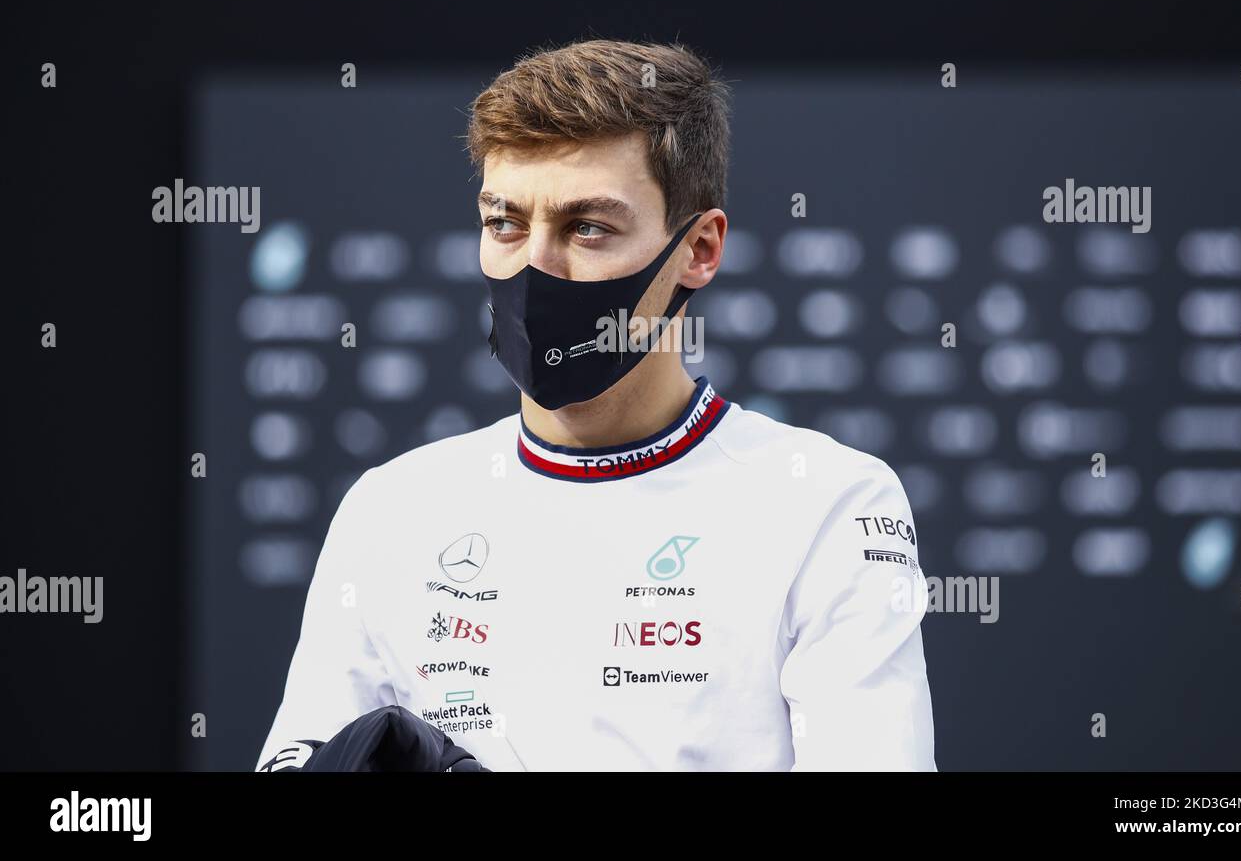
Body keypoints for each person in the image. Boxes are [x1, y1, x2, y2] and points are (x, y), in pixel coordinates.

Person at [256, 38, 935, 771]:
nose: (534, 266)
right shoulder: (389, 509)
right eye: (505, 224)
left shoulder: (829, 504)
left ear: (699, 249)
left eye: (588, 227)